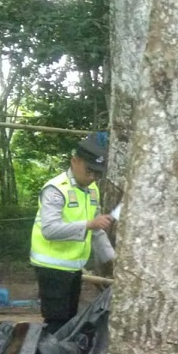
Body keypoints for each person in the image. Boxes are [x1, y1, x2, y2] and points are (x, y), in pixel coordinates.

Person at [29, 132, 115, 334]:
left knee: (69, 319)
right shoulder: (55, 189)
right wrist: (88, 224)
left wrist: (112, 259)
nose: (93, 177)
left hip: (74, 267)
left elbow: (97, 230)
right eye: (89, 170)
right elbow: (50, 230)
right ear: (74, 161)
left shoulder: (92, 189)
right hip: (51, 267)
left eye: (98, 173)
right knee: (56, 321)